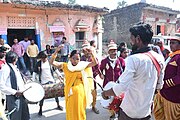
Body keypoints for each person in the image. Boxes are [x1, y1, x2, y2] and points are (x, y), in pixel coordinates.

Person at [101, 23, 165, 120]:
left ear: (138, 39)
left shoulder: (134, 59)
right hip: (145, 112)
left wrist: (105, 93)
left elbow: (120, 88)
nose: (130, 41)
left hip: (129, 113)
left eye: (131, 38)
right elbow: (159, 86)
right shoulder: (159, 58)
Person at [50, 45, 98, 120]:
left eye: (77, 59)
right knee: (70, 110)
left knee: (80, 110)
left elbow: (95, 63)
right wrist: (56, 51)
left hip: (80, 92)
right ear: (70, 58)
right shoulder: (65, 66)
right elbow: (52, 62)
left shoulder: (82, 65)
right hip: (69, 92)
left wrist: (91, 53)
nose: (75, 61)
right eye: (73, 58)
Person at [154, 36, 180, 120]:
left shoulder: (179, 57)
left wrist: (165, 84)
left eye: (173, 43)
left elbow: (178, 78)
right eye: (170, 43)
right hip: (163, 94)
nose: (171, 45)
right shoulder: (171, 56)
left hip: (173, 96)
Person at [0, 51, 30, 120]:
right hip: (13, 97)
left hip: (22, 96)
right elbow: (1, 85)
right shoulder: (5, 69)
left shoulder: (15, 68)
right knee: (16, 116)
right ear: (14, 59)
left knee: (25, 116)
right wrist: (15, 92)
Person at [32, 51, 63, 116]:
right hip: (43, 82)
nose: (44, 59)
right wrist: (33, 80)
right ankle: (40, 109)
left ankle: (58, 105)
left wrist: (60, 75)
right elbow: (34, 72)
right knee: (42, 96)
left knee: (55, 93)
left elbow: (55, 69)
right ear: (40, 58)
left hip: (51, 80)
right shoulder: (38, 64)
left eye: (45, 58)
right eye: (43, 58)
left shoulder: (50, 62)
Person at [100, 40, 125, 119]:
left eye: (115, 51)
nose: (114, 52)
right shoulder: (104, 61)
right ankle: (112, 114)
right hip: (108, 84)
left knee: (119, 100)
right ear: (108, 52)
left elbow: (125, 71)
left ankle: (118, 113)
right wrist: (101, 75)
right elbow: (100, 69)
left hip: (118, 84)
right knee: (109, 100)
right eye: (112, 51)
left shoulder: (121, 61)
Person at [81, 40, 103, 114]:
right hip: (83, 79)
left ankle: (93, 106)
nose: (85, 51)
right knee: (83, 94)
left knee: (94, 93)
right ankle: (83, 108)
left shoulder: (93, 58)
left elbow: (97, 67)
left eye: (86, 49)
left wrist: (100, 74)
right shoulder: (81, 58)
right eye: (84, 50)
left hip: (92, 79)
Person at [0, 46, 8, 120]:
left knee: (4, 98)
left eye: (5, 52)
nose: (4, 54)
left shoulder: (4, 61)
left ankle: (5, 109)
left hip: (4, 82)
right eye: (3, 52)